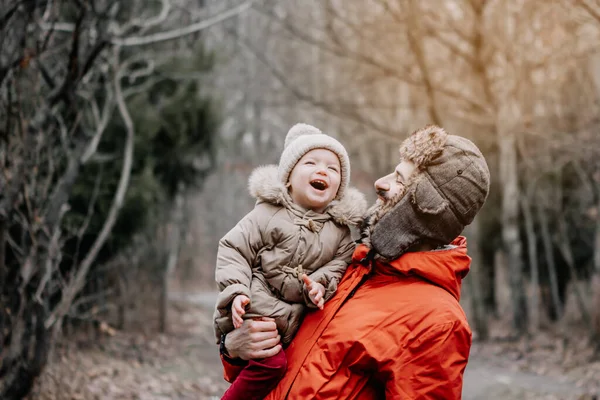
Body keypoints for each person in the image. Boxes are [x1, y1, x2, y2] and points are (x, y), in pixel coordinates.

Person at [219, 125, 491, 399]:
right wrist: (233, 347)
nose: (380, 183)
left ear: (425, 205)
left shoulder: (437, 321)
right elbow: (274, 365)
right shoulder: (351, 266)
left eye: (399, 179)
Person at [214, 123, 367, 400]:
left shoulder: (340, 234)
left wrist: (319, 286)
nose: (323, 170)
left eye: (333, 169)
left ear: (338, 190)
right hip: (253, 305)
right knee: (271, 365)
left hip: (293, 321)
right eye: (311, 163)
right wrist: (236, 291)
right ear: (288, 178)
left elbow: (336, 268)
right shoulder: (267, 213)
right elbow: (233, 248)